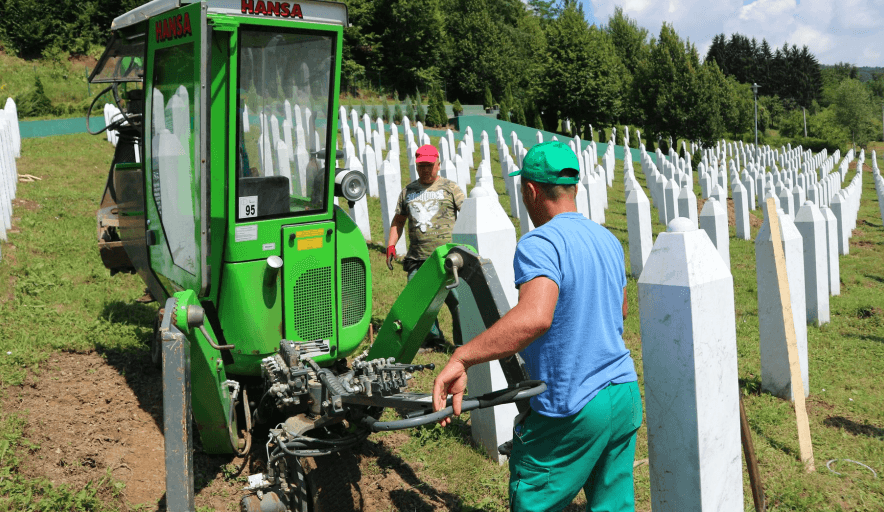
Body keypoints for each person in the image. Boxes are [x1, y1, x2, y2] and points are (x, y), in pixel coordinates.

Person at [432, 141, 641, 511]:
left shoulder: (540, 242)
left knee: (536, 502)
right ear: (573, 187)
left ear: (530, 190)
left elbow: (535, 317)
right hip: (622, 393)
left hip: (572, 403)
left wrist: (463, 356)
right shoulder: (608, 239)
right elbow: (620, 309)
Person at [386, 144, 466, 348]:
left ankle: (462, 344)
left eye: (429, 165)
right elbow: (398, 221)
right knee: (420, 303)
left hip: (448, 258)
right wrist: (391, 245)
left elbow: (467, 216)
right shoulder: (408, 191)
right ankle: (433, 339)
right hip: (418, 258)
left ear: (438, 165)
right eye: (421, 165)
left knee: (457, 303)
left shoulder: (451, 188)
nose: (425, 169)